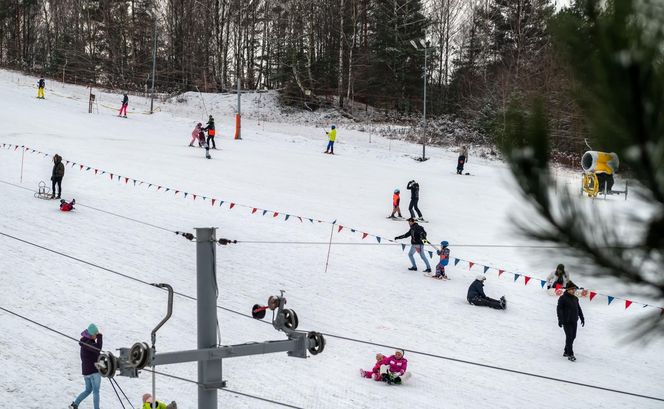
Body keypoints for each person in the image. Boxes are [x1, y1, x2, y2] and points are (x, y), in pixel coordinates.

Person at [69, 324, 103, 409]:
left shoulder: (85, 343)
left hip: (86, 372)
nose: (96, 337)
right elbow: (98, 348)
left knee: (88, 390)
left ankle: (75, 404)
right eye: (96, 335)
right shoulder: (89, 344)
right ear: (92, 335)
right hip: (94, 372)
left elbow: (95, 354)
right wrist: (100, 336)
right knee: (96, 392)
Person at [557, 281, 585, 361]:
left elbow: (578, 309)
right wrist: (560, 319)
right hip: (566, 321)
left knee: (573, 337)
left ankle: (566, 351)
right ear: (568, 289)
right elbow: (559, 309)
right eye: (572, 289)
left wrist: (582, 318)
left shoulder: (576, 298)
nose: (573, 291)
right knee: (569, 337)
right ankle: (570, 354)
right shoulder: (562, 298)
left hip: (574, 320)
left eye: (574, 290)